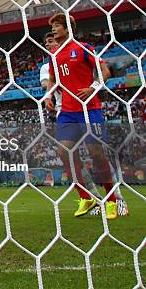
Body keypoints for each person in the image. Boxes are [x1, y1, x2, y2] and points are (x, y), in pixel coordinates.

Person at [45, 13, 121, 220]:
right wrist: (48, 96)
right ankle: (85, 197)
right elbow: (52, 80)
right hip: (68, 112)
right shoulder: (54, 56)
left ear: (68, 28)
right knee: (63, 152)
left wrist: (92, 88)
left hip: (90, 109)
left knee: (96, 153)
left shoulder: (84, 48)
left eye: (58, 26)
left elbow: (104, 70)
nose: (54, 30)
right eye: (53, 27)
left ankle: (112, 201)